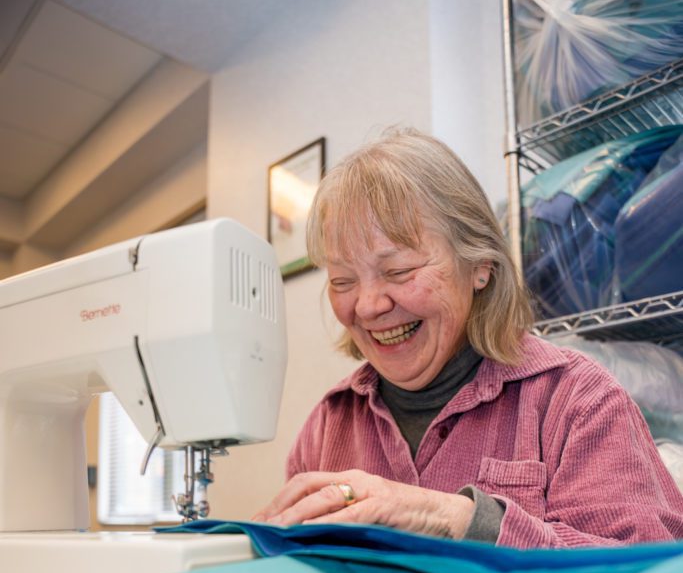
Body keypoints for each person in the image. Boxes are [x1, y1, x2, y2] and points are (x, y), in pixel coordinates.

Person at [254, 128, 683, 548]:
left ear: (479, 265)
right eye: (342, 280)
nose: (366, 306)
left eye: (399, 271)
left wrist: (457, 519)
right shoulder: (328, 425)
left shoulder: (577, 400)